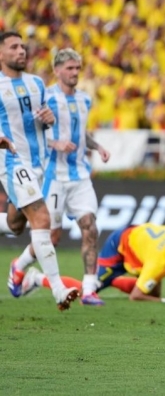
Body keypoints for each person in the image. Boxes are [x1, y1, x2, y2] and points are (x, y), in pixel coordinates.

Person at [0, 31, 80, 311]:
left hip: (39, 164)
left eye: (22, 46)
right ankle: (58, 289)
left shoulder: (36, 83)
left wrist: (49, 118)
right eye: (13, 47)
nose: (21, 50)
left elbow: (43, 119)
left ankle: (19, 266)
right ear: (1, 54)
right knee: (42, 220)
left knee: (15, 225)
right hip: (11, 162)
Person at [40, 48, 109, 306]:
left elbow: (81, 134)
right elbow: (32, 134)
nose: (74, 73)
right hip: (54, 175)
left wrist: (97, 146)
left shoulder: (84, 100)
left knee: (90, 226)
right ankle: (23, 269)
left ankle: (89, 289)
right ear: (57, 70)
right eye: (69, 68)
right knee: (51, 237)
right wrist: (54, 143)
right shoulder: (45, 97)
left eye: (77, 68)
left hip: (80, 174)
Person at [22, 223, 165, 304]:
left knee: (152, 292)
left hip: (141, 245)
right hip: (120, 246)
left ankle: (111, 280)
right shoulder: (159, 260)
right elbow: (136, 297)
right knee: (85, 292)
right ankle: (37, 278)